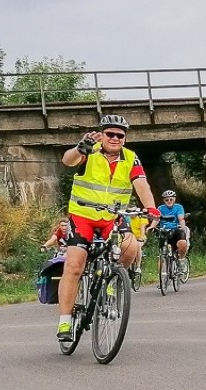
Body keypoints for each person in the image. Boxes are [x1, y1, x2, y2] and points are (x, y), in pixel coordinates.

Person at [56, 114, 160, 342]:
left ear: (124, 139)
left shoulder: (131, 158)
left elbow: (142, 185)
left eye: (120, 135)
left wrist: (151, 208)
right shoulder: (89, 150)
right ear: (102, 135)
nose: (115, 138)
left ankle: (111, 282)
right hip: (82, 216)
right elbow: (68, 160)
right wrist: (79, 149)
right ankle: (64, 321)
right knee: (74, 266)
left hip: (113, 218)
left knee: (131, 248)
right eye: (110, 134)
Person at [155, 189, 189, 271]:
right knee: (162, 254)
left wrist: (183, 228)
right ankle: (161, 278)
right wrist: (152, 227)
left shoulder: (179, 207)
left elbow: (181, 219)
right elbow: (156, 219)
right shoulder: (160, 208)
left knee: (183, 243)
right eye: (167, 200)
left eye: (171, 199)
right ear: (164, 200)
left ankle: (181, 260)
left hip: (176, 230)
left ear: (174, 199)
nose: (169, 201)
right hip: (164, 231)